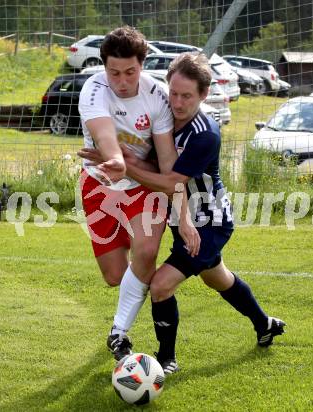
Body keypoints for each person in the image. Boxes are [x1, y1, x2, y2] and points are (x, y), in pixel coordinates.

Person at [112, 53, 286, 374]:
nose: (177, 102)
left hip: (209, 223)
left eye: (187, 96)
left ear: (204, 94)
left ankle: (165, 360)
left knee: (162, 285)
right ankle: (265, 324)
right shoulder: (162, 115)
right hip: (184, 221)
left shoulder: (205, 134)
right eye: (173, 93)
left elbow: (169, 183)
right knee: (218, 278)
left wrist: (127, 167)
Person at [77, 27, 199, 361]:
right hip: (99, 183)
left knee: (146, 252)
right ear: (104, 68)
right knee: (115, 277)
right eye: (114, 72)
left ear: (142, 65)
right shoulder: (93, 89)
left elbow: (169, 161)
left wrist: (184, 216)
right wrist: (115, 160)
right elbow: (103, 135)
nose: (122, 81)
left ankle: (119, 334)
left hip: (144, 186)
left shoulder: (157, 95)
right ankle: (126, 309)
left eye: (130, 72)